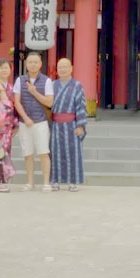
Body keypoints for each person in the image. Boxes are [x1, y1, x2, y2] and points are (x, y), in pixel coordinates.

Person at [0, 58, 29, 193]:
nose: (4, 70)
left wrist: (16, 123)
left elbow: (15, 105)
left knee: (6, 153)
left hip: (8, 126)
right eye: (1, 68)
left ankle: (2, 181)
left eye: (7, 68)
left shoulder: (12, 88)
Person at [48, 57, 89, 191]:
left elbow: (81, 106)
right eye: (60, 67)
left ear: (71, 68)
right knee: (55, 153)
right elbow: (48, 105)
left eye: (65, 66)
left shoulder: (77, 86)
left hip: (71, 125)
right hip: (55, 125)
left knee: (73, 153)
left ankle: (73, 181)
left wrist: (80, 125)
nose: (63, 69)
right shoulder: (53, 85)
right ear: (57, 70)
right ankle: (55, 180)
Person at [17, 51, 55, 192]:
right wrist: (25, 118)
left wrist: (34, 92)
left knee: (43, 152)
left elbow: (49, 102)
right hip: (24, 122)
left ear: (40, 64)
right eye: (30, 62)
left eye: (35, 62)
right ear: (26, 64)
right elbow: (17, 102)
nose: (33, 65)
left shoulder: (47, 81)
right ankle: (30, 182)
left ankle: (46, 182)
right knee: (28, 154)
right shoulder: (19, 80)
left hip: (41, 122)